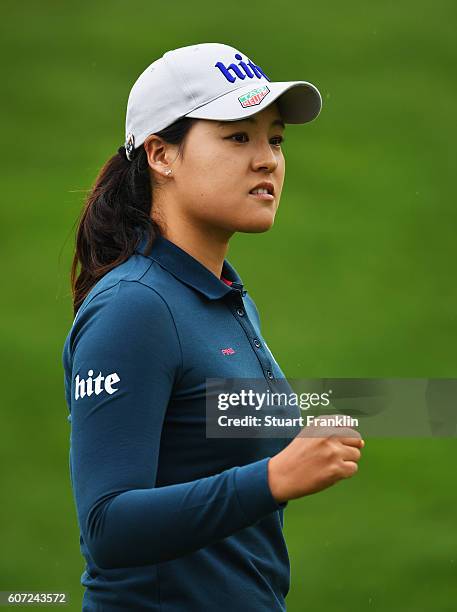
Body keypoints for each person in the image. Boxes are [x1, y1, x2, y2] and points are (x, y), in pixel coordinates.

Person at [62, 42, 365, 611]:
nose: (267, 160)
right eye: (237, 137)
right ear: (161, 155)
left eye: (274, 138)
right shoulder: (134, 307)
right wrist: (274, 478)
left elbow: (198, 419)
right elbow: (108, 527)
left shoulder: (220, 294)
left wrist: (410, 407)